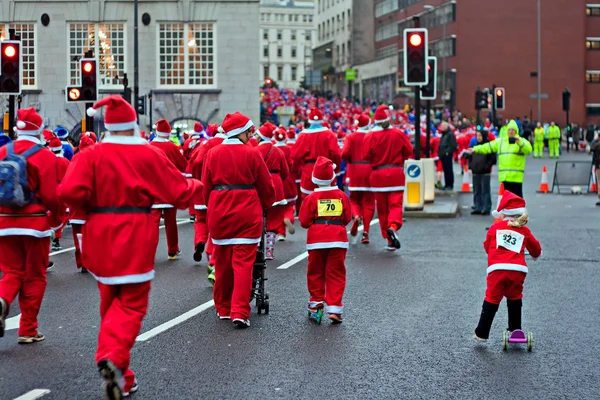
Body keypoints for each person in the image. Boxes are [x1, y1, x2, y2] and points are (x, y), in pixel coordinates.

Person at [58, 95, 202, 399]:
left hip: (98, 234)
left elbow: (69, 191)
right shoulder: (147, 154)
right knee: (133, 304)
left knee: (110, 305)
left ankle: (123, 375)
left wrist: (91, 203)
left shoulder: (91, 155)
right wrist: (197, 186)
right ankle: (110, 357)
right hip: (134, 233)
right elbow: (178, 191)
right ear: (132, 125)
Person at [202, 112, 275, 328]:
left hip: (220, 210)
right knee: (244, 264)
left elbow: (206, 188)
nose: (251, 134)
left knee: (222, 263)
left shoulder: (212, 153)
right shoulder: (252, 153)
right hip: (247, 211)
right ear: (241, 132)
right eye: (249, 131)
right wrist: (267, 203)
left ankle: (223, 308)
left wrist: (212, 205)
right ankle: (240, 312)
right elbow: (265, 185)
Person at [0, 108, 64, 344]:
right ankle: (28, 328)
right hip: (34, 222)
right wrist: (57, 218)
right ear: (39, 129)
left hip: (4, 222)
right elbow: (51, 195)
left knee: (11, 272)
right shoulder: (45, 155)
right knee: (35, 276)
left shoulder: (2, 151)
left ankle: (3, 299)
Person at [473, 191, 542, 342]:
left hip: (496, 269)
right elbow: (536, 249)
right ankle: (515, 330)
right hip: (517, 271)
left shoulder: (495, 228)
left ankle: (482, 332)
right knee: (515, 297)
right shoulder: (524, 230)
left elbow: (486, 246)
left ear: (503, 213)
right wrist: (536, 255)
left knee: (491, 298)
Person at [299, 156, 351, 324]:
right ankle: (335, 308)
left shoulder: (311, 199)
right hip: (337, 239)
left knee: (315, 272)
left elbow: (304, 221)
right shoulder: (341, 195)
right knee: (336, 273)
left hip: (316, 240)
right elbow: (347, 218)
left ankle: (316, 304)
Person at [362, 105, 413, 251]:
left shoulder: (370, 135)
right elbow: (408, 150)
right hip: (396, 173)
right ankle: (393, 226)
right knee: (395, 205)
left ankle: (388, 238)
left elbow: (365, 155)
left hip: (378, 175)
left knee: (382, 208)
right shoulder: (398, 133)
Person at [149, 119, 189, 260]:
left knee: (153, 223)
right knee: (171, 221)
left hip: (153, 190)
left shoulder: (149, 146)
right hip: (169, 190)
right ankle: (172, 250)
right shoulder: (172, 147)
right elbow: (183, 165)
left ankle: (149, 253)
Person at [470, 120, 532, 198]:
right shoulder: (501, 141)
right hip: (504, 178)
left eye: (513, 130)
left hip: (516, 178)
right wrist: (475, 149)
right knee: (506, 202)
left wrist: (520, 142)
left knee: (517, 203)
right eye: (509, 130)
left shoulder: (520, 141)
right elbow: (488, 147)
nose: (511, 132)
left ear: (516, 131)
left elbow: (528, 150)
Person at [255, 122, 289, 259]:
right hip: (277, 184)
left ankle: (257, 247)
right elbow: (285, 173)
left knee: (256, 217)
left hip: (260, 185)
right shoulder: (278, 151)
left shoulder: (255, 150)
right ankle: (269, 250)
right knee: (274, 219)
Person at [291, 108, 341, 200]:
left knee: (308, 201)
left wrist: (298, 170)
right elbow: (336, 154)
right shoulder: (329, 134)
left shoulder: (303, 135)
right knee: (327, 199)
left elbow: (295, 155)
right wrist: (336, 169)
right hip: (326, 170)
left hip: (309, 171)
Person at [341, 113, 374, 244]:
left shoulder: (351, 136)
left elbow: (344, 153)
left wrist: (350, 161)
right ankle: (365, 232)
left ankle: (356, 216)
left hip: (354, 170)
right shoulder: (371, 136)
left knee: (354, 199)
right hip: (369, 170)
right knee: (369, 202)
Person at [68, 132, 97, 273]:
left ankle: (83, 261)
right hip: (93, 205)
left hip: (77, 205)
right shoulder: (99, 159)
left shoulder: (74, 160)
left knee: (78, 234)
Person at [48, 137, 71, 251]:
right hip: (63, 190)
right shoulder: (66, 161)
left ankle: (51, 233)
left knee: (52, 214)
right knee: (64, 215)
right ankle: (56, 236)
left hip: (50, 189)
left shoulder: (49, 161)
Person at [274, 127, 297, 239]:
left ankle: (280, 233)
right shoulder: (288, 149)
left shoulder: (273, 149)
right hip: (288, 179)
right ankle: (288, 218)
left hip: (277, 180)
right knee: (289, 206)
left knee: (278, 208)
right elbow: (292, 164)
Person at [468, 130, 496, 215]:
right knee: (476, 190)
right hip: (475, 171)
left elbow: (493, 159)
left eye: (480, 135)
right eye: (477, 136)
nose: (478, 137)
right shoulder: (475, 146)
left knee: (485, 191)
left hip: (485, 172)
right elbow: (470, 157)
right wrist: (471, 166)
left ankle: (486, 207)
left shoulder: (488, 146)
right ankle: (478, 206)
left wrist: (487, 167)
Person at [438, 121, 458, 191]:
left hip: (447, 155)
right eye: (442, 126)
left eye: (444, 126)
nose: (442, 127)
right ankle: (447, 184)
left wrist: (447, 152)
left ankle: (450, 185)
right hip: (443, 155)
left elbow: (453, 145)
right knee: (445, 171)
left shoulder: (450, 134)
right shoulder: (444, 134)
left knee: (449, 170)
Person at [591, 133, 600, 207]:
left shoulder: (597, 144)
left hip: (599, 165)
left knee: (599, 181)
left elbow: (592, 148)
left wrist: (595, 139)